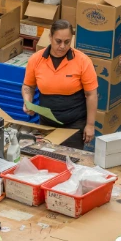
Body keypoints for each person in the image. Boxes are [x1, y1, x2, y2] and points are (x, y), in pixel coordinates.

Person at [21, 20, 99, 149]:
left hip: (74, 124)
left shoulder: (82, 61)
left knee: (70, 159)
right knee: (47, 158)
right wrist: (27, 101)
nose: (62, 46)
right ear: (50, 37)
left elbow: (91, 94)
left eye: (67, 42)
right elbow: (28, 86)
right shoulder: (36, 59)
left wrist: (90, 125)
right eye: (58, 41)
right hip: (46, 123)